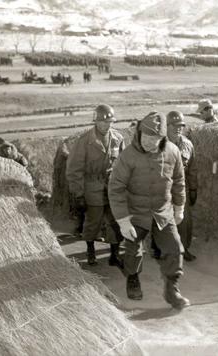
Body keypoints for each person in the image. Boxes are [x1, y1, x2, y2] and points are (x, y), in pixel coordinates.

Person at [108, 111, 190, 309]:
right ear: (139, 133)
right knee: (133, 250)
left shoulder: (173, 151)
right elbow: (115, 187)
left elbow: (179, 181)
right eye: (145, 136)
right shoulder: (128, 156)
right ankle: (133, 278)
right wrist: (123, 220)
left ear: (163, 138)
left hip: (162, 212)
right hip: (135, 212)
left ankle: (172, 289)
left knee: (175, 248)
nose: (148, 141)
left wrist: (179, 207)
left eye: (154, 138)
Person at [66, 104, 125, 267]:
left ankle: (114, 255)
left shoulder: (118, 139)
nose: (107, 125)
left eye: (110, 122)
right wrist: (78, 194)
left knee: (115, 222)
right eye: (103, 122)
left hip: (112, 188)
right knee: (93, 222)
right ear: (96, 121)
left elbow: (123, 165)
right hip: (92, 187)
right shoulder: (84, 141)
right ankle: (90, 251)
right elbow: (73, 169)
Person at [151, 111, 198, 261]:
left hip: (181, 189)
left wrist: (193, 188)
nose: (178, 129)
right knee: (162, 220)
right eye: (174, 126)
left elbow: (192, 168)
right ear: (167, 126)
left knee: (185, 222)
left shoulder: (187, 145)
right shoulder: (159, 145)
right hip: (163, 188)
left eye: (181, 126)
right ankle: (158, 248)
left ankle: (183, 249)